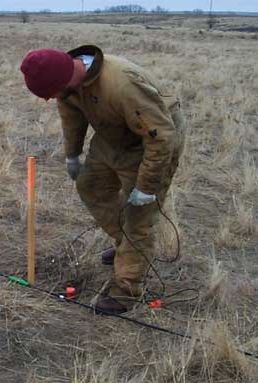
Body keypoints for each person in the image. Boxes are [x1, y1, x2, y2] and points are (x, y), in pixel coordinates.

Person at [20, 45, 185, 315]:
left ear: (63, 80)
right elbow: (71, 117)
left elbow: (162, 136)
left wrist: (146, 186)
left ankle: (125, 291)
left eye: (51, 93)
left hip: (151, 141)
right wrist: (72, 155)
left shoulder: (122, 83)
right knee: (90, 185)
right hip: (112, 136)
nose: (51, 100)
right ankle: (127, 247)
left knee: (138, 216)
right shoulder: (69, 87)